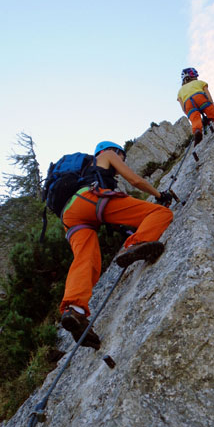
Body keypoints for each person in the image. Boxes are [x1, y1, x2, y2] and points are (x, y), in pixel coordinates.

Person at [59, 141, 173, 348]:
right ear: (115, 151)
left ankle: (75, 310)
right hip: (89, 199)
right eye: (123, 157)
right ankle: (137, 245)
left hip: (68, 217)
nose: (122, 161)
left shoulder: (85, 172)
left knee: (85, 259)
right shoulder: (107, 154)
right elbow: (135, 180)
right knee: (160, 212)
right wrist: (159, 195)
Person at [177, 67, 214, 144]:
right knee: (212, 112)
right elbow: (208, 94)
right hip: (200, 98)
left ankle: (197, 131)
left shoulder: (180, 91)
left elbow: (182, 107)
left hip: (188, 104)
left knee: (195, 120)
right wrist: (211, 102)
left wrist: (189, 114)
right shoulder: (200, 82)